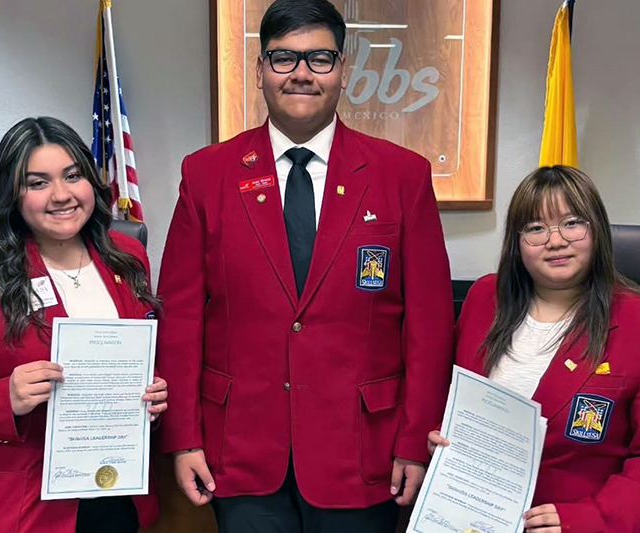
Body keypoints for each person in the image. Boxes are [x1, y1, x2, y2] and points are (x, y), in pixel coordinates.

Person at [155, 0, 454, 531]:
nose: (301, 74)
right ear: (260, 70)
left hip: (365, 452)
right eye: (283, 58)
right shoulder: (207, 174)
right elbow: (181, 320)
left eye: (319, 59)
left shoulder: (401, 175)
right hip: (241, 449)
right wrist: (183, 438)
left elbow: (429, 325)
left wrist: (415, 439)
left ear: (343, 70)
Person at [0, 117, 167, 533]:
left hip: (113, 491)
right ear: (12, 193)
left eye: (73, 176)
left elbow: (142, 351)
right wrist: (1, 396)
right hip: (12, 505)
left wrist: (152, 390)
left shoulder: (127, 255)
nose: (61, 195)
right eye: (38, 182)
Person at [428, 165, 640, 532]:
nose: (555, 241)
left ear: (597, 230)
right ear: (517, 242)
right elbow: (447, 391)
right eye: (536, 228)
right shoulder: (483, 299)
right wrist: (438, 435)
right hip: (468, 516)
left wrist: (591, 519)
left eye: (572, 223)